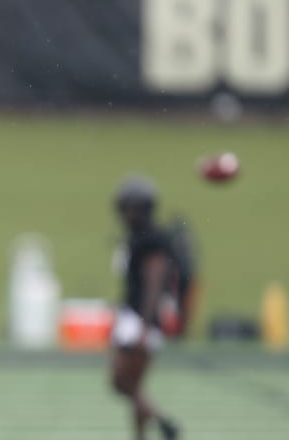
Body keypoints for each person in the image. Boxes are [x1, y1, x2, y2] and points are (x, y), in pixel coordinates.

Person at [109, 176, 181, 440]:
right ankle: (141, 434)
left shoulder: (151, 239)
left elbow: (154, 280)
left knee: (122, 381)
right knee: (135, 386)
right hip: (136, 315)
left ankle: (163, 422)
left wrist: (144, 325)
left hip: (141, 319)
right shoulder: (140, 236)